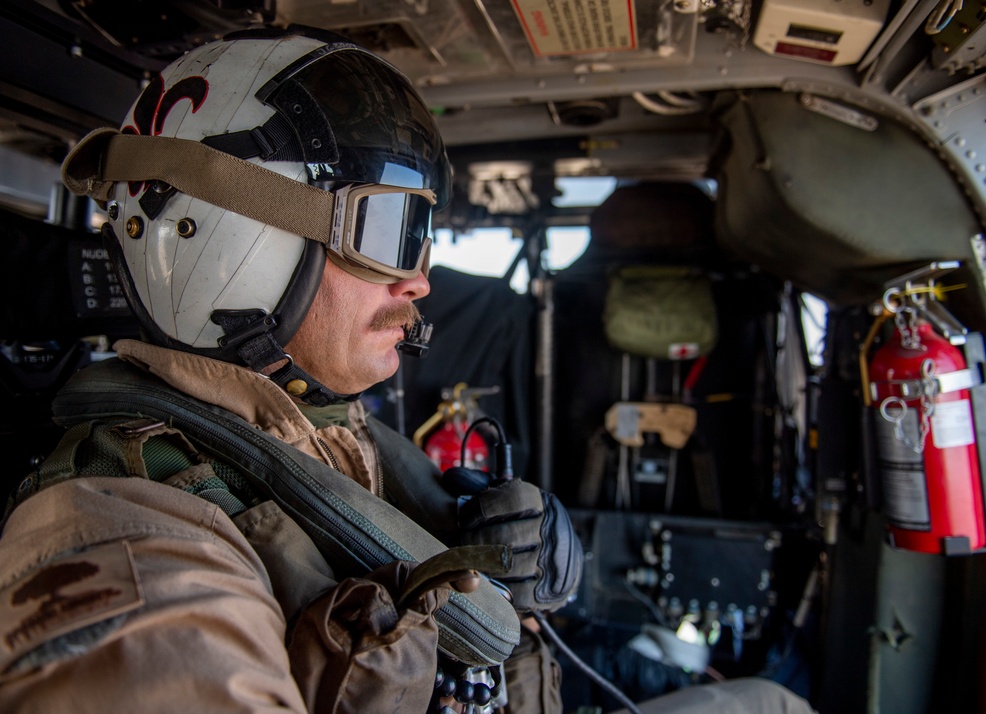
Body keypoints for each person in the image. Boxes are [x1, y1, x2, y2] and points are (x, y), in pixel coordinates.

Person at [0, 26, 815, 714]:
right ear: (231, 246)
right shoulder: (132, 550)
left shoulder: (311, 426)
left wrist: (515, 568)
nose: (420, 281)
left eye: (423, 240)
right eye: (388, 232)